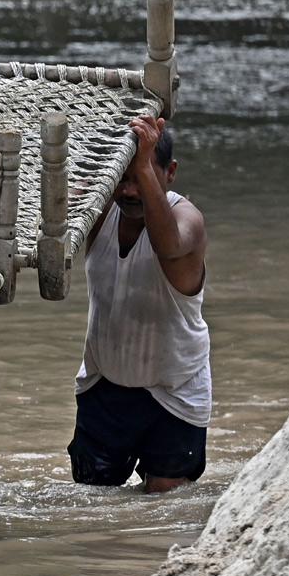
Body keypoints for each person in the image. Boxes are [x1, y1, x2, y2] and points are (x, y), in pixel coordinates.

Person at [68, 115, 210, 493]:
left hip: (175, 390)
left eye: (141, 176)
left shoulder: (187, 220)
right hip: (105, 383)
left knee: (160, 509)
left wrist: (142, 162)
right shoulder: (99, 211)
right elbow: (55, 211)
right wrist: (106, 162)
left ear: (170, 172)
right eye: (122, 178)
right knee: (92, 504)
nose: (129, 191)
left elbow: (169, 246)